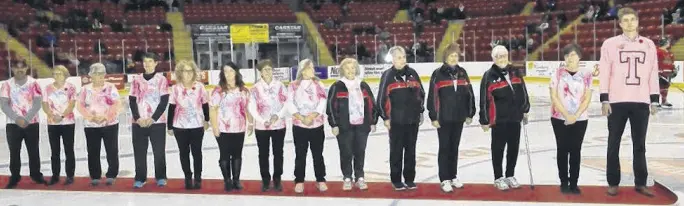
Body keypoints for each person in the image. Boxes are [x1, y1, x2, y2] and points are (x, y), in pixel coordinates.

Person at [599, 7, 659, 197]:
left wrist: (654, 99)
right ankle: (613, 182)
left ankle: (640, 183)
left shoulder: (648, 45)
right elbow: (604, 72)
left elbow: (653, 73)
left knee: (639, 144)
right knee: (613, 143)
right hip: (616, 102)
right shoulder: (609, 44)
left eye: (633, 19)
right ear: (620, 23)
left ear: (638, 22)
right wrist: (604, 98)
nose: (630, 23)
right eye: (626, 20)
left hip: (641, 101)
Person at [479, 45, 530, 191]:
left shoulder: (515, 72)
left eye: (504, 55)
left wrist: (525, 108)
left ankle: (510, 175)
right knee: (498, 149)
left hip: (515, 117)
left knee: (513, 148)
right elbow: (483, 99)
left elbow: (523, 91)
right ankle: (498, 177)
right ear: (494, 59)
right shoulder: (489, 75)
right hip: (498, 119)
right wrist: (484, 120)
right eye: (498, 56)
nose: (502, 58)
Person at [427, 43, 475, 193]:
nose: (454, 58)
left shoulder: (462, 72)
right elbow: (432, 96)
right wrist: (433, 116)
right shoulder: (438, 74)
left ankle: (453, 176)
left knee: (454, 148)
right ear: (445, 57)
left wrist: (470, 112)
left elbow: (470, 94)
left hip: (459, 117)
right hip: (444, 117)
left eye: (456, 55)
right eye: (451, 55)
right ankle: (444, 178)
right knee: (445, 148)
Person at [377, 46, 425, 191]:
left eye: (404, 57)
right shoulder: (388, 75)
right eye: (399, 57)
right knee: (396, 150)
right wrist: (385, 117)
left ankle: (409, 179)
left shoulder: (413, 73)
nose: (402, 60)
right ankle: (396, 179)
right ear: (392, 59)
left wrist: (420, 111)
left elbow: (421, 93)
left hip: (412, 120)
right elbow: (381, 98)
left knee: (411, 150)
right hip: (396, 120)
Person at [326, 58, 378, 191]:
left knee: (360, 151)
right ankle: (347, 177)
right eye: (347, 68)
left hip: (362, 125)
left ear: (356, 69)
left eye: (353, 67)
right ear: (342, 70)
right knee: (346, 152)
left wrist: (372, 121)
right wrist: (334, 124)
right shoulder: (337, 86)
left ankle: (360, 177)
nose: (350, 70)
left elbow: (372, 104)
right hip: (344, 127)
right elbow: (331, 107)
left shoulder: (363, 85)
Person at [549, 44, 592, 194]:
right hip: (559, 118)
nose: (570, 58)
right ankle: (563, 182)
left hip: (581, 119)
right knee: (562, 149)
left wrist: (576, 115)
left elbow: (587, 98)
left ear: (580, 57)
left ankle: (574, 182)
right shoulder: (557, 73)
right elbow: (554, 96)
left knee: (575, 150)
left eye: (573, 55)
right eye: (567, 55)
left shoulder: (586, 75)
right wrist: (567, 115)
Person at [1, 60, 47, 189]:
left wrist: (26, 118)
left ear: (27, 68)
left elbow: (37, 103)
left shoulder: (34, 83)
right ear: (13, 69)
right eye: (17, 67)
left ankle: (36, 175)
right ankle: (15, 176)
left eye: (22, 67)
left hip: (31, 123)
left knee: (33, 150)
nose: (20, 70)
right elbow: (4, 105)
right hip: (12, 124)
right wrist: (16, 118)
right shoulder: (7, 85)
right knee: (14, 152)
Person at [287, 59, 328, 193]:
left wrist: (311, 116)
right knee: (300, 154)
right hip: (300, 126)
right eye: (310, 68)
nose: (313, 70)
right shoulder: (293, 85)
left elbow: (322, 102)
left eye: (312, 67)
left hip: (316, 125)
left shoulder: (318, 84)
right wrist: (301, 117)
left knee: (318, 154)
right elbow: (290, 103)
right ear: (303, 70)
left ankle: (320, 179)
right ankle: (299, 180)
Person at [210, 62, 253, 192]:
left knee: (237, 155)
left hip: (239, 128)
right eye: (225, 71)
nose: (228, 74)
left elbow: (247, 108)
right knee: (224, 155)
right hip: (223, 128)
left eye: (230, 71)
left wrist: (250, 123)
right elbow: (212, 109)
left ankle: (236, 180)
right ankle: (227, 180)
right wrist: (215, 127)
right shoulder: (218, 90)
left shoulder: (243, 90)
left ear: (236, 72)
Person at [77, 63, 122, 186]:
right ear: (91, 75)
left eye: (102, 73)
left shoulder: (111, 87)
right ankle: (95, 175)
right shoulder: (85, 89)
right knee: (93, 151)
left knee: (112, 150)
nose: (100, 76)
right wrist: (91, 117)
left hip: (110, 124)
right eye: (97, 74)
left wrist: (106, 117)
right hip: (91, 126)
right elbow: (80, 106)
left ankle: (112, 174)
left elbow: (117, 104)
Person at [129, 53, 170, 188]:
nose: (147, 64)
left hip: (157, 122)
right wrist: (138, 118)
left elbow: (164, 101)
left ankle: (161, 176)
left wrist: (153, 118)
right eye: (145, 61)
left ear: (156, 63)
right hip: (139, 122)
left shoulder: (161, 80)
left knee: (159, 152)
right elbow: (132, 100)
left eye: (150, 61)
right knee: (139, 151)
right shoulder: (136, 79)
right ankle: (140, 178)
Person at [167, 60, 209, 190]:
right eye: (185, 71)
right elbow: (172, 107)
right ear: (180, 73)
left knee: (197, 152)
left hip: (197, 125)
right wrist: (169, 126)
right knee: (183, 153)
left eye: (190, 70)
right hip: (180, 126)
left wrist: (206, 120)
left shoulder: (200, 87)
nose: (188, 73)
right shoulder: (176, 88)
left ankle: (197, 178)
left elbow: (205, 104)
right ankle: (187, 177)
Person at [247, 59, 288, 192]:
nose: (268, 71)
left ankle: (277, 179)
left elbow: (287, 103)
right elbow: (251, 107)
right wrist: (260, 120)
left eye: (270, 69)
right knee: (263, 154)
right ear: (261, 73)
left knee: (278, 153)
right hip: (262, 126)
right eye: (265, 69)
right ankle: (265, 180)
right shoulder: (255, 88)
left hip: (279, 125)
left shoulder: (280, 85)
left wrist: (278, 115)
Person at [43, 65, 77, 186]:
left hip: (67, 122)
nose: (57, 76)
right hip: (52, 123)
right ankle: (55, 175)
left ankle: (70, 175)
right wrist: (51, 115)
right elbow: (45, 104)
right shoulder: (47, 88)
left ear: (65, 75)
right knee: (55, 151)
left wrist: (61, 116)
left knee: (69, 150)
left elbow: (71, 105)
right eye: (55, 73)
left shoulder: (71, 88)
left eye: (60, 73)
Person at [656, 37, 675, 108]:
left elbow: (671, 63)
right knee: (657, 87)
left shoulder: (670, 53)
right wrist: (656, 71)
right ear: (665, 43)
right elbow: (653, 62)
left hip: (668, 73)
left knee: (665, 87)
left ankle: (664, 101)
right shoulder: (657, 52)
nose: (669, 43)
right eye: (668, 42)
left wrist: (673, 70)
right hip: (660, 73)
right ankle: (656, 102)